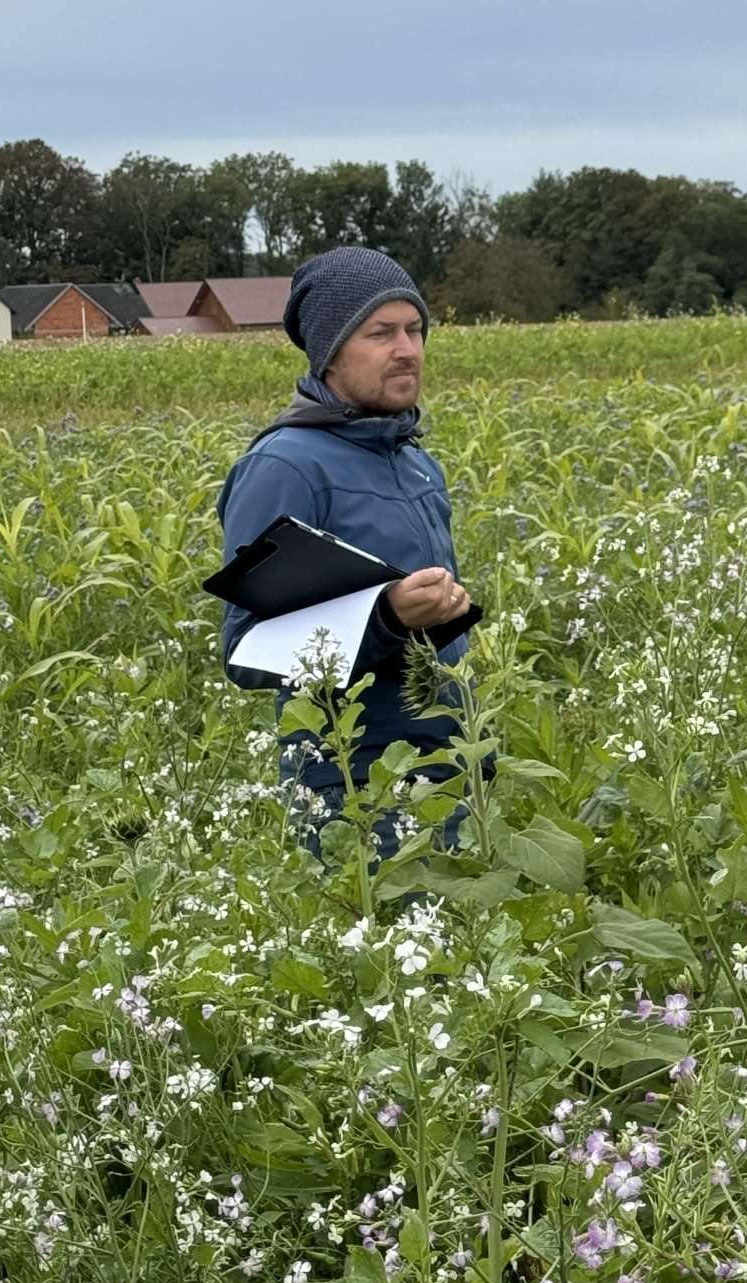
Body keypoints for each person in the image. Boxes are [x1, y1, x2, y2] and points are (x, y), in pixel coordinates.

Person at [216, 247, 478, 856]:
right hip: (356, 789)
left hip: (452, 764)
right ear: (330, 352)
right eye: (381, 333)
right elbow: (244, 648)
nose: (407, 348)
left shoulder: (415, 461)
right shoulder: (284, 466)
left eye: (414, 329)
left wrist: (448, 609)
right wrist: (386, 618)